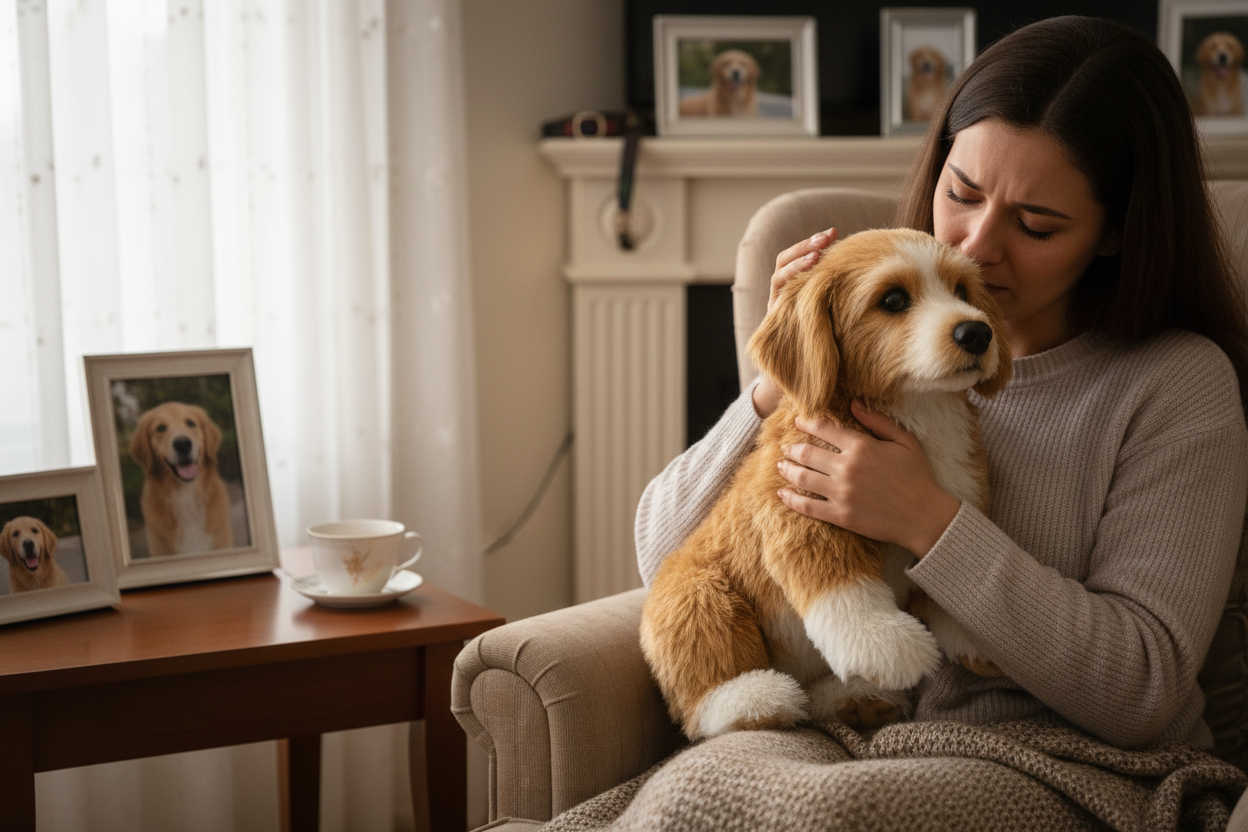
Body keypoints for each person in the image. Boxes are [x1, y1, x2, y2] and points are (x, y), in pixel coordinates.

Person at [625, 15, 1248, 830]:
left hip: (1075, 764)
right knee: (684, 801)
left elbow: (1142, 686)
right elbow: (664, 559)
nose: (979, 247)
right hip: (853, 732)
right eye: (961, 193)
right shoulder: (863, 348)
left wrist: (926, 517)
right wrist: (787, 382)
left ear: (1116, 232)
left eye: (1036, 225)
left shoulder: (1175, 384)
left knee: (825, 816)